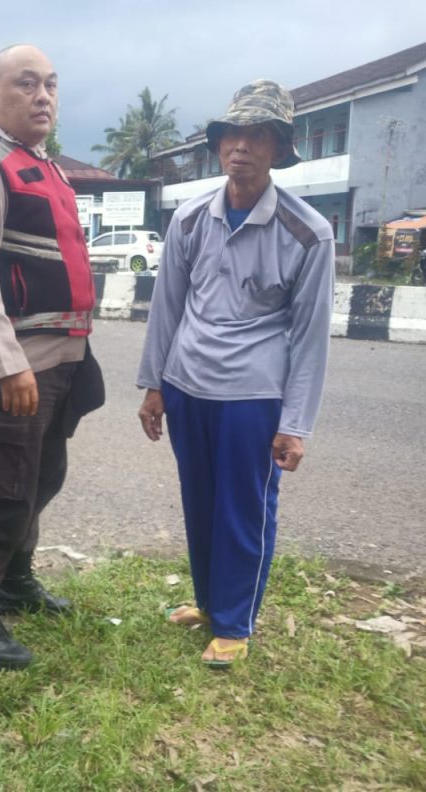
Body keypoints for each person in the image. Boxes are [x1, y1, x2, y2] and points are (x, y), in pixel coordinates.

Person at [136, 80, 335, 667]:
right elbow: (167, 308)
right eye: (231, 136)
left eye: (256, 136)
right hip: (187, 385)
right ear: (218, 145)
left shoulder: (308, 233)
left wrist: (295, 424)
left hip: (253, 396)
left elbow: (310, 338)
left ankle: (235, 622)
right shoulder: (191, 220)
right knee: (198, 498)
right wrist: (154, 386)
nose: (240, 148)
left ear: (278, 148)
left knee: (244, 507)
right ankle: (209, 601)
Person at [0, 44, 97, 670]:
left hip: (58, 360)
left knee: (37, 479)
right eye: (25, 83)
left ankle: (15, 582)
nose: (42, 96)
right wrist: (8, 365)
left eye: (51, 84)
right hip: (12, 368)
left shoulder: (44, 166)